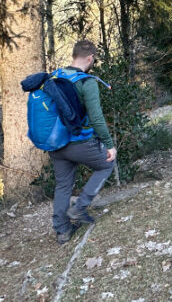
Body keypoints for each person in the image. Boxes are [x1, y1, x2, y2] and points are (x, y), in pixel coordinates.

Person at [50, 39, 117, 244]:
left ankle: (62, 231)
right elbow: (96, 118)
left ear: (74, 55)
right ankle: (79, 208)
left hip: (55, 144)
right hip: (79, 143)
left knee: (63, 185)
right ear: (90, 58)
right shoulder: (86, 82)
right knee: (107, 164)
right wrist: (109, 144)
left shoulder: (54, 77)